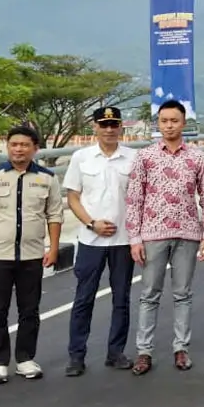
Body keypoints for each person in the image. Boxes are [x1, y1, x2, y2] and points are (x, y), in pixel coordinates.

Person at [125, 99, 204, 376]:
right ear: (158, 124)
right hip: (153, 234)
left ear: (184, 123)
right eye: (164, 121)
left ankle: (181, 348)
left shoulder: (197, 157)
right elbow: (134, 198)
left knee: (183, 294)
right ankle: (144, 352)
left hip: (187, 234)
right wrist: (134, 238)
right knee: (149, 294)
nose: (169, 126)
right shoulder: (145, 157)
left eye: (174, 121)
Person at [0, 126, 64, 384]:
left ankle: (25, 359)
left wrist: (53, 248)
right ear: (7, 147)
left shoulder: (47, 179)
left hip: (32, 255)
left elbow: (55, 215)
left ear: (35, 149)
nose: (18, 149)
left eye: (24, 145)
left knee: (29, 311)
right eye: (14, 144)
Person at [63, 106, 138, 377]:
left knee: (121, 299)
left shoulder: (133, 157)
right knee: (84, 299)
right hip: (90, 240)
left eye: (113, 124)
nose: (109, 129)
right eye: (103, 124)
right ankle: (76, 356)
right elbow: (73, 197)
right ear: (94, 127)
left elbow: (139, 197)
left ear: (121, 127)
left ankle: (115, 352)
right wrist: (91, 223)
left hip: (123, 240)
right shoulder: (81, 157)